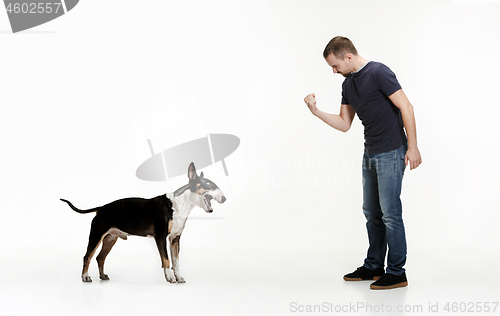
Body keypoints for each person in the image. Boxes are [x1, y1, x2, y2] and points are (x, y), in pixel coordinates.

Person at [304, 36, 422, 290]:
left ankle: (397, 272)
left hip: (391, 152)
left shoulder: (379, 72)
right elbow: (344, 124)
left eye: (335, 66)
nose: (334, 71)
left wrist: (412, 147)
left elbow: (406, 107)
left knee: (391, 214)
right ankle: (374, 266)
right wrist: (316, 111)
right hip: (370, 153)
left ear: (348, 56)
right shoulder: (348, 85)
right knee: (371, 212)